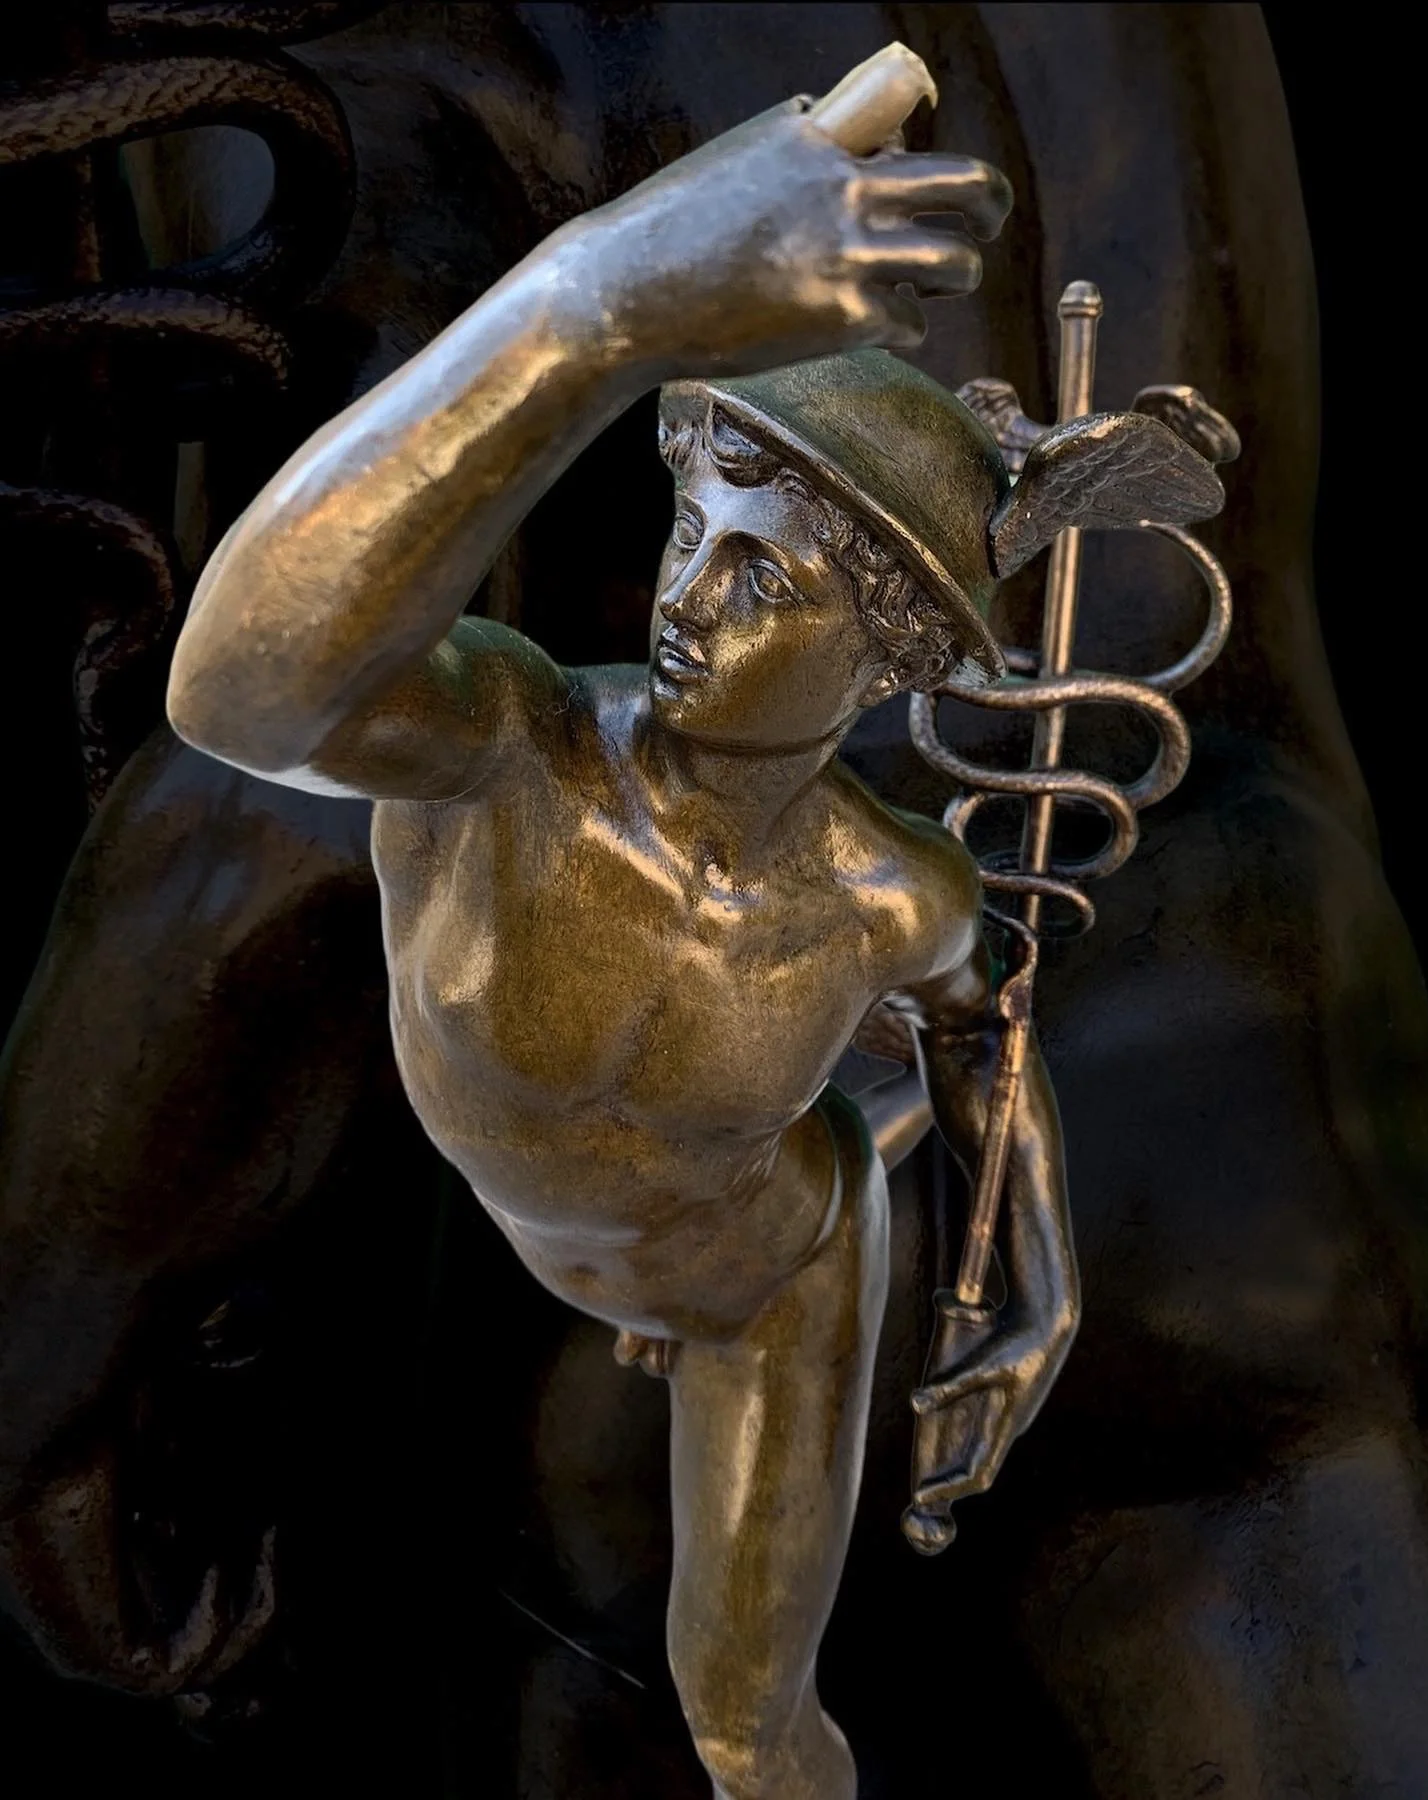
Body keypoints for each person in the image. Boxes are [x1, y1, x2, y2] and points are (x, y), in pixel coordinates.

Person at [164, 84, 1091, 1800]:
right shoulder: (505, 745)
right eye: (694, 528)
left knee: (750, 1726)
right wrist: (596, 299)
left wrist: (1036, 1280)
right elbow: (238, 686)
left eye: (772, 581)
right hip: (533, 1228)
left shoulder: (890, 892)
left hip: (767, 1274)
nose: (690, 595)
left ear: (890, 660)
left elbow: (986, 1029)